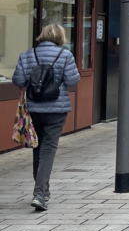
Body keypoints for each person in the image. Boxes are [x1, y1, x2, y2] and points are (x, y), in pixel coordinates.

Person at [12, 24, 81, 211]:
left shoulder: (27, 55)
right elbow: (73, 81)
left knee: (38, 147)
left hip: (33, 108)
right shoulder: (65, 55)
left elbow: (18, 80)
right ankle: (40, 193)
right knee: (48, 149)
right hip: (57, 110)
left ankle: (44, 190)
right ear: (60, 37)